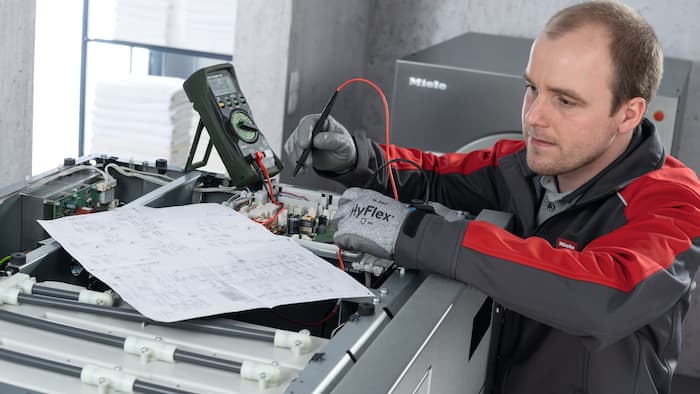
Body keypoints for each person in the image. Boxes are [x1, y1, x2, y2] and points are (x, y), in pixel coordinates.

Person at [284, 1, 700, 393]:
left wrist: (414, 232)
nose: (534, 116)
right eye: (532, 88)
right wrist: (357, 158)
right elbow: (435, 174)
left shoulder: (675, 203)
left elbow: (604, 295)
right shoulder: (527, 164)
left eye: (565, 101)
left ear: (628, 114)